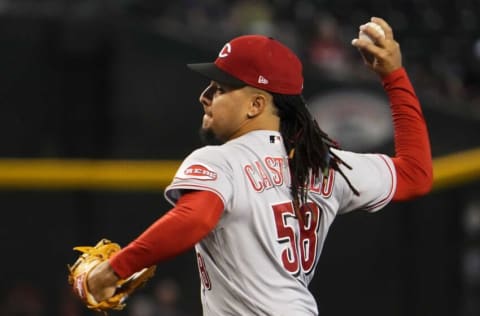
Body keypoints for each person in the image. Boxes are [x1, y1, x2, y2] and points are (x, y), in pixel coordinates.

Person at [85, 17, 433, 315]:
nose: (205, 96)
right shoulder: (323, 163)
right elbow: (415, 175)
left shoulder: (223, 160)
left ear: (255, 104)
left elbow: (196, 217)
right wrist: (394, 77)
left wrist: (112, 272)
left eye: (220, 88)